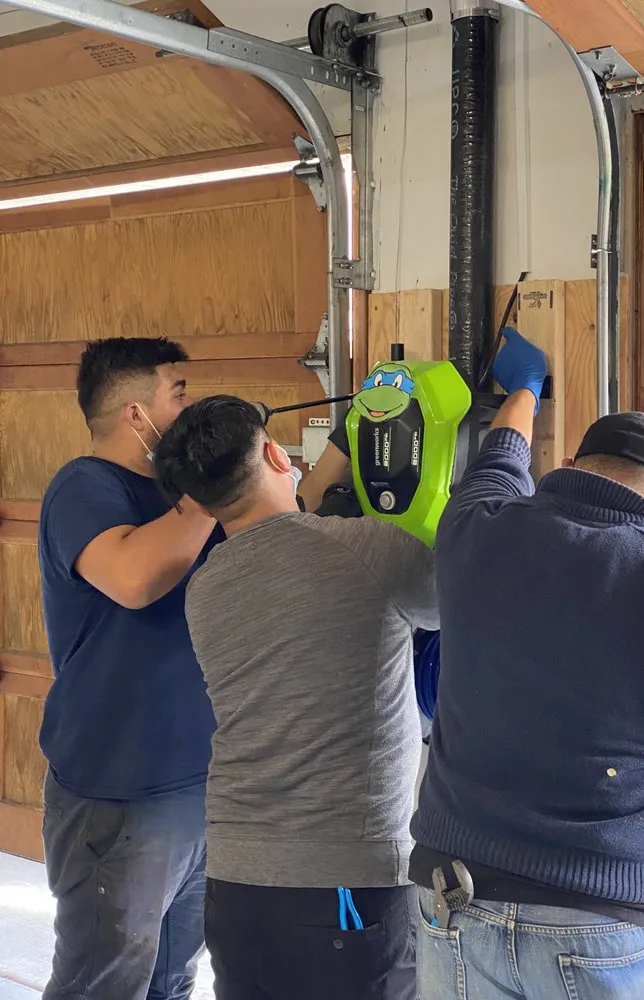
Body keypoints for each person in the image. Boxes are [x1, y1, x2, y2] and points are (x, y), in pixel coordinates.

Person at [410, 327, 644, 1000]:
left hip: (453, 907)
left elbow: (499, 459)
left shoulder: (478, 528)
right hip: (608, 933)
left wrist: (526, 389)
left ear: (572, 461)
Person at [153, 394, 439, 1000]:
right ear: (275, 454)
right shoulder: (366, 549)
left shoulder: (204, 587)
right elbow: (455, 604)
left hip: (233, 879)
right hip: (342, 876)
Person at [38, 337, 223, 1000]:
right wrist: (208, 491)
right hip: (117, 796)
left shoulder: (184, 499)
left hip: (199, 788)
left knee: (171, 977)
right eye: (179, 393)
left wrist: (353, 437)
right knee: (104, 983)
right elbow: (135, 576)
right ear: (134, 414)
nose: (191, 407)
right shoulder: (84, 487)